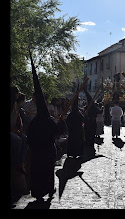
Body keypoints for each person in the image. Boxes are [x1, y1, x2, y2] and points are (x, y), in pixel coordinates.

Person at [27, 51, 66, 202]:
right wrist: (61, 121)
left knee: (37, 172)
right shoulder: (49, 121)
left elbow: (29, 137)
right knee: (48, 172)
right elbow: (59, 133)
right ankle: (49, 190)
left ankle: (37, 192)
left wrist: (34, 147)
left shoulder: (34, 122)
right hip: (48, 151)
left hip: (37, 152)